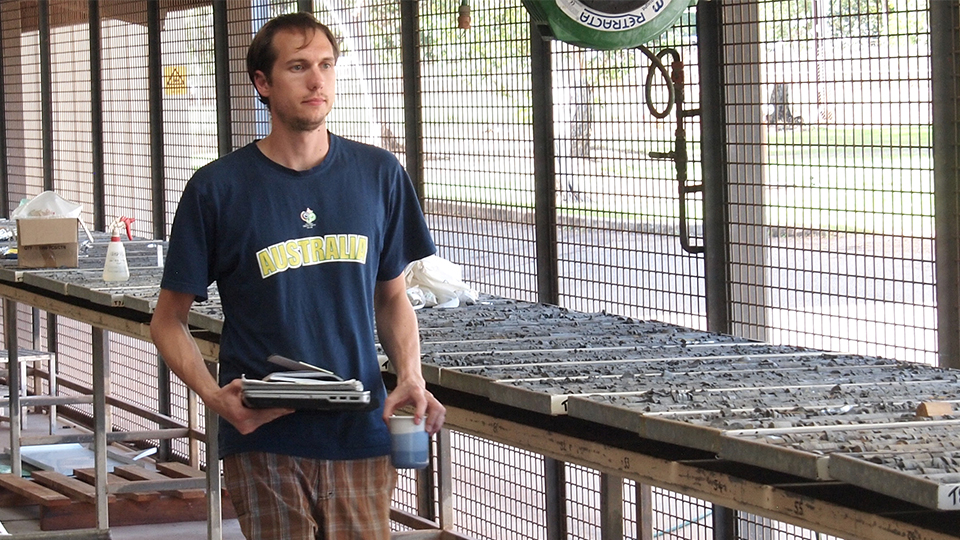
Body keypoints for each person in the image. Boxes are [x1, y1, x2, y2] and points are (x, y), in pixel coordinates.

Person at [149, 11, 445, 540]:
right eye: (298, 66)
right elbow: (168, 320)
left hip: (361, 432)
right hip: (264, 434)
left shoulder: (380, 176)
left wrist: (411, 376)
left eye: (327, 65)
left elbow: (393, 298)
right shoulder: (218, 190)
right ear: (262, 83)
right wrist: (214, 401)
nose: (318, 80)